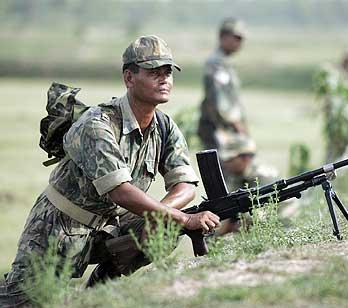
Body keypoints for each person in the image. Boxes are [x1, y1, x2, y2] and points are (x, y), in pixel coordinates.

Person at [0, 35, 220, 307]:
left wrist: (161, 217)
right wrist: (183, 219)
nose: (164, 79)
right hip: (58, 229)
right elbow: (121, 193)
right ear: (129, 77)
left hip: (109, 225)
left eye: (167, 73)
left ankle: (98, 296)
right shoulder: (98, 124)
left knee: (164, 230)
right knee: (22, 302)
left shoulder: (163, 126)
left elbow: (185, 185)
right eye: (154, 72)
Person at [197, 17, 248, 151]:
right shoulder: (216, 63)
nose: (240, 42)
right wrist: (236, 124)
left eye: (241, 38)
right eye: (236, 37)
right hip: (218, 127)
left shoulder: (225, 62)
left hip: (224, 127)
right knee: (220, 169)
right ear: (223, 36)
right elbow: (219, 99)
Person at [215, 135, 278, 235]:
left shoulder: (264, 176)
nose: (226, 163)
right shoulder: (235, 176)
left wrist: (228, 226)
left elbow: (259, 217)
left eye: (230, 159)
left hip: (281, 226)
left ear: (246, 158)